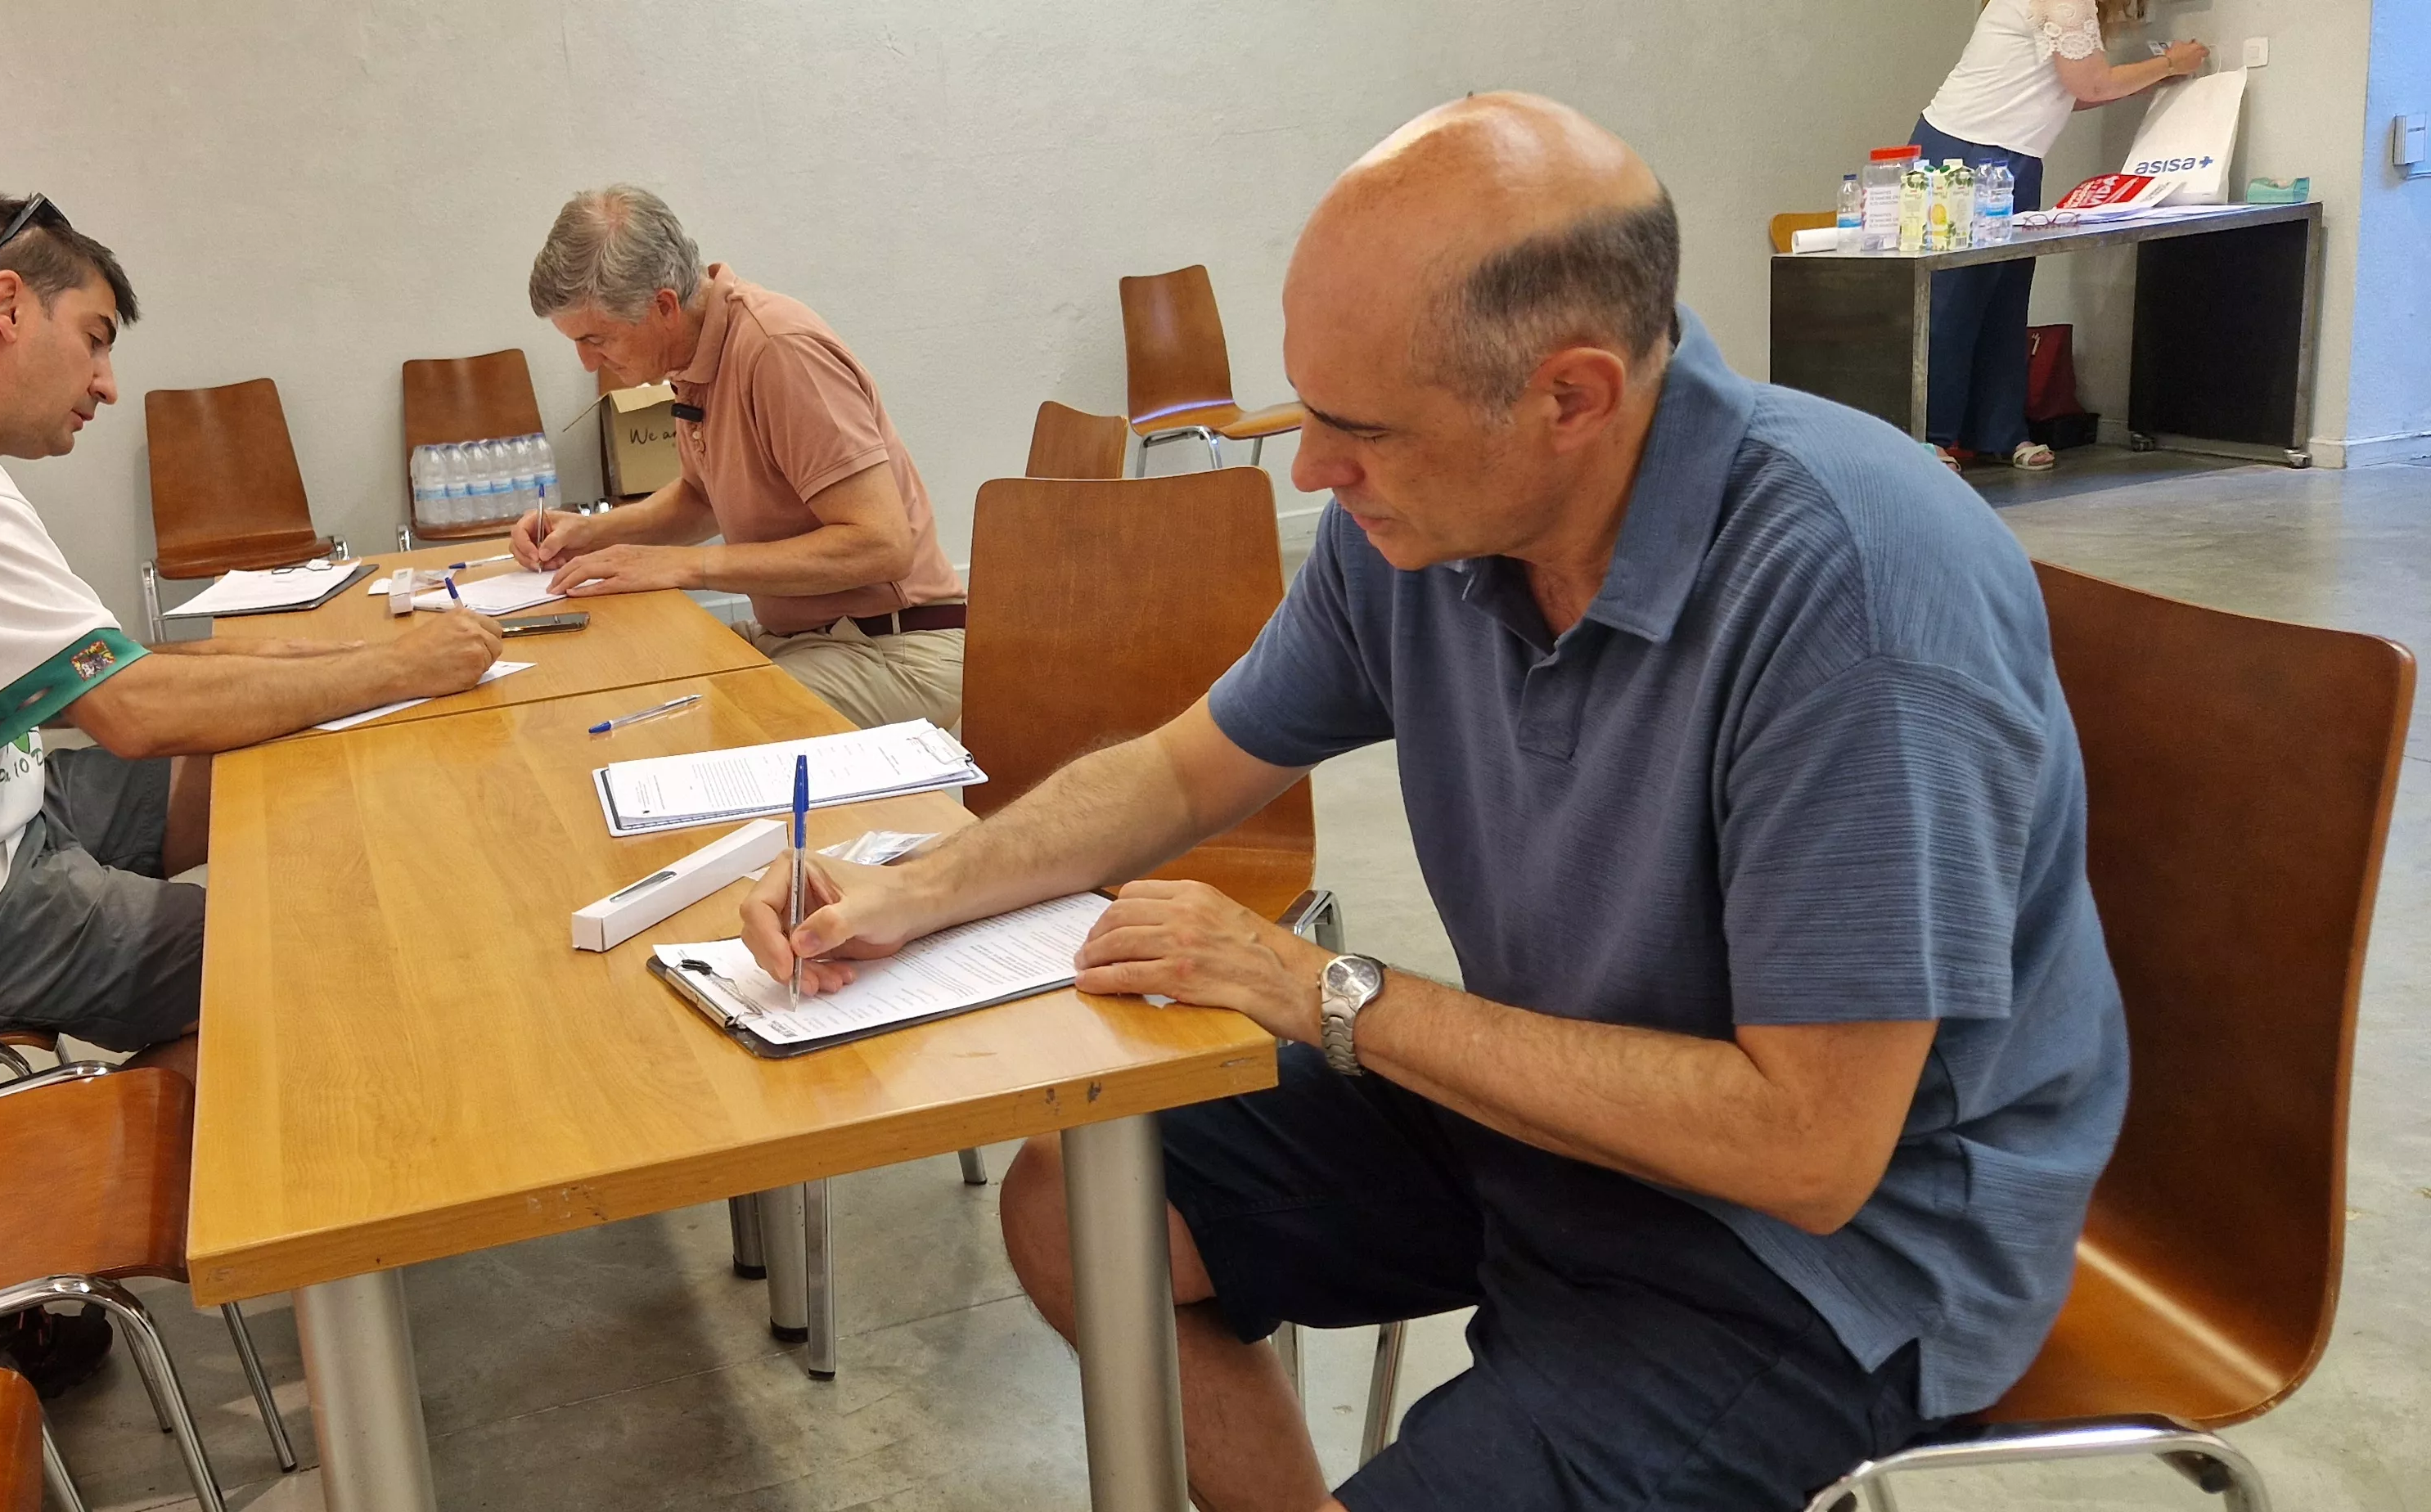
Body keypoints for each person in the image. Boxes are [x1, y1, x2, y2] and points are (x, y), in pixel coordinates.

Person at [742, 95, 2126, 1511]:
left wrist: (1322, 985)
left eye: (1359, 430)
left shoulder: (1851, 595)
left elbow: (1808, 1147)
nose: (1312, 474)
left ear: (1572, 397)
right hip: (1574, 1124)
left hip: (1826, 1260)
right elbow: (1179, 767)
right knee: (1083, 1205)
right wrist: (917, 885)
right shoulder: (1419, 533)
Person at [0, 195, 500, 1091]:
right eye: (96, 339)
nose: (107, 384)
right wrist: (397, 667)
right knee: (287, 949)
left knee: (261, 772)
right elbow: (133, 713)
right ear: (5, 306)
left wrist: (317, 661)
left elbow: (106, 668)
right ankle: (209, 1186)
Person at [511, 185, 968, 731]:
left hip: (899, 646)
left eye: (597, 339)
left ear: (663, 306)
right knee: (633, 685)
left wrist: (688, 566)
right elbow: (701, 499)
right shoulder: (693, 355)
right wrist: (591, 533)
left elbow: (883, 545)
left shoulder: (778, 350)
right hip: (809, 638)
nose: (589, 363)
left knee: (705, 731)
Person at [1916, 0, 2205, 470]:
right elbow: (2089, 84)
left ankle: (2000, 431)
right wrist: (2171, 62)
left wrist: (2154, 75)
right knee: (1956, 298)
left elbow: (2074, 89)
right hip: (1965, 151)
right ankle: (1929, 436)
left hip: (2014, 156)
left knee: (2006, 298)